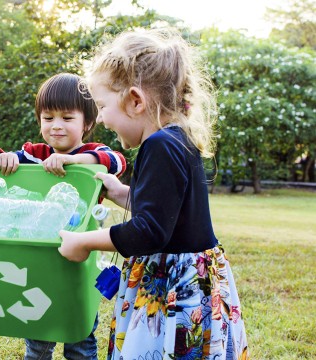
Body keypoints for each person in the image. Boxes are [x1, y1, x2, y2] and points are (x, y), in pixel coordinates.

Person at [58, 29, 249, 359]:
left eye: (102, 106)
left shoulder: (158, 145)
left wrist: (84, 241)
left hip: (174, 287)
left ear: (135, 101)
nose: (101, 119)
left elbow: (150, 231)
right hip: (193, 275)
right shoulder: (177, 137)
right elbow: (167, 213)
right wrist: (122, 194)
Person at [0, 73, 126, 360]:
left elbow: (116, 161)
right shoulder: (35, 154)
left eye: (67, 118)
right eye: (48, 118)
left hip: (81, 263)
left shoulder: (92, 153)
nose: (56, 126)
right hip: (38, 260)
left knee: (81, 337)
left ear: (86, 123)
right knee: (38, 333)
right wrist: (3, 158)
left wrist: (72, 160)